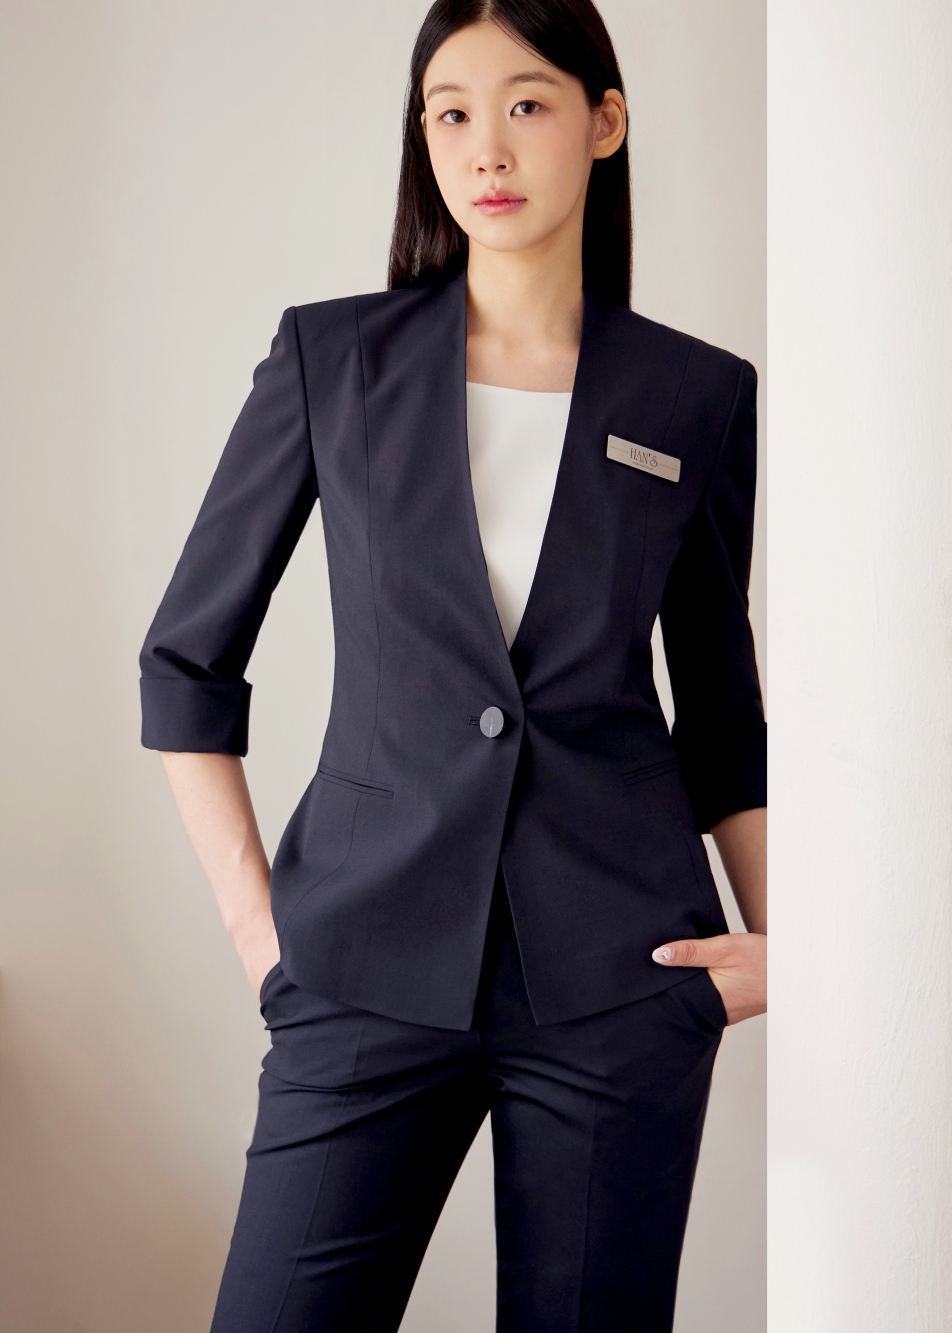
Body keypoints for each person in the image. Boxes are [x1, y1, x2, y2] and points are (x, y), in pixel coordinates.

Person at [138, 1, 766, 1328]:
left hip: (619, 977)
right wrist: (263, 938)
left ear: (604, 122)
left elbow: (721, 713)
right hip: (358, 962)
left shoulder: (694, 395)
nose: (487, 146)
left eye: (528, 104)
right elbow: (186, 661)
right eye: (451, 112)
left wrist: (783, 948)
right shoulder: (332, 360)